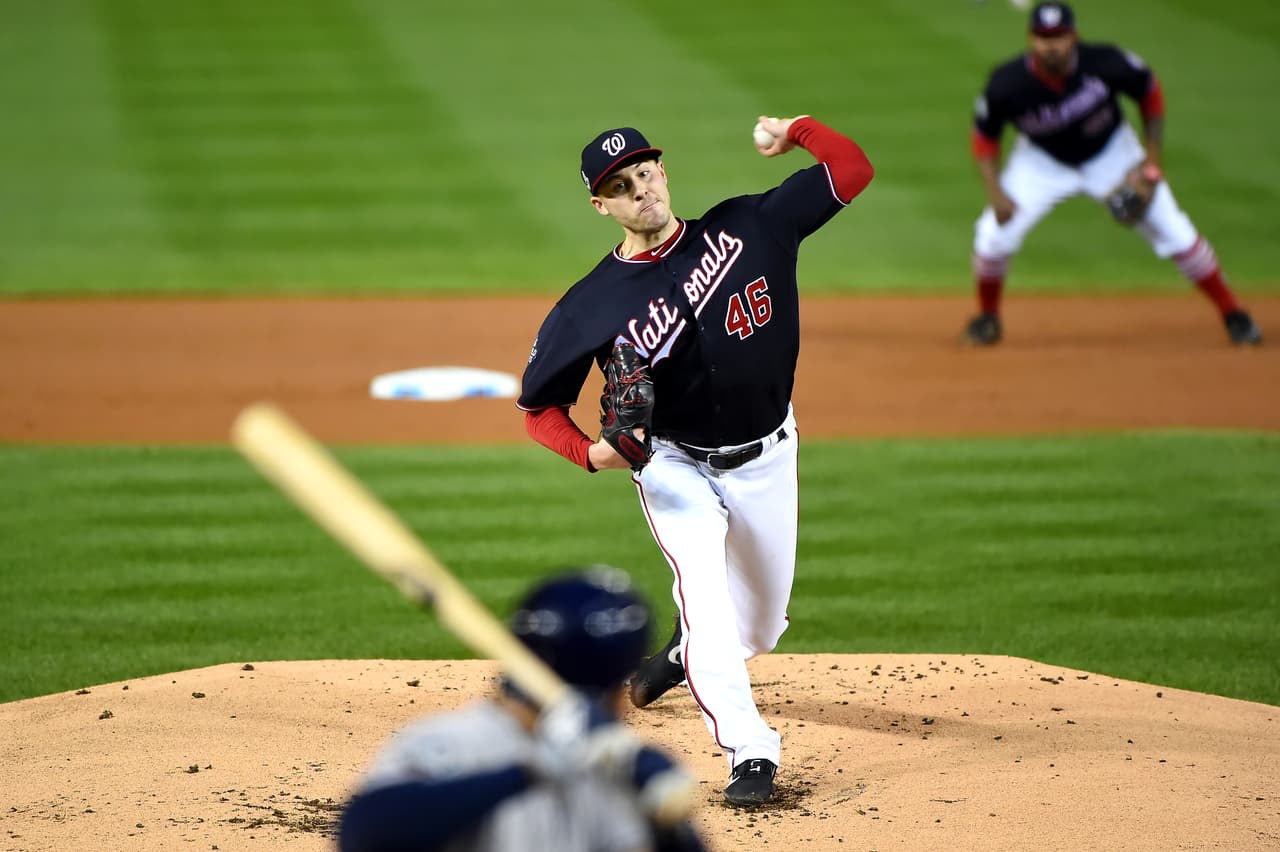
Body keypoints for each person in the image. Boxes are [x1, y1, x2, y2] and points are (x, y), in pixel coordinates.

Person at [516, 115, 874, 805]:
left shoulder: (749, 227)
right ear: (603, 205)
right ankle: (751, 751)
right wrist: (591, 455)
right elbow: (538, 409)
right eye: (620, 186)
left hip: (768, 454)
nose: (640, 190)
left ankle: (686, 655)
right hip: (674, 464)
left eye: (645, 172)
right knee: (708, 601)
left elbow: (852, 172)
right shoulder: (587, 307)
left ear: (662, 171)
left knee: (759, 627)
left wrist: (796, 129)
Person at [338, 567, 706, 852]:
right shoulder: (458, 742)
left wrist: (669, 827)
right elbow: (364, 833)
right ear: (615, 688)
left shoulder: (606, 763)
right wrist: (533, 770)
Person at [963, 1, 1263, 346]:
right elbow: (984, 138)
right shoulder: (1006, 83)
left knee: (1177, 234)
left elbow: (1149, 92)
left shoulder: (1105, 62)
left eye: (1059, 36)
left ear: (1074, 36)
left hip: (1112, 152)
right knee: (992, 237)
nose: (1052, 44)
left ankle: (1233, 313)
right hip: (1041, 162)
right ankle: (987, 318)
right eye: (1045, 37)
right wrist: (995, 193)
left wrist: (1151, 165)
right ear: (1031, 39)